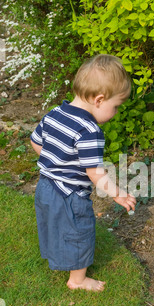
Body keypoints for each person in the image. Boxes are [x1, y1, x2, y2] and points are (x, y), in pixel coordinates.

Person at [30, 54, 136, 292]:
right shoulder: (90, 130)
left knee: (52, 224)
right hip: (70, 194)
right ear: (99, 100)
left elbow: (36, 142)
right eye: (116, 106)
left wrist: (55, 162)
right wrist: (117, 194)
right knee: (79, 231)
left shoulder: (56, 112)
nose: (116, 113)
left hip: (46, 185)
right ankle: (77, 281)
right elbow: (95, 172)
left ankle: (55, 257)